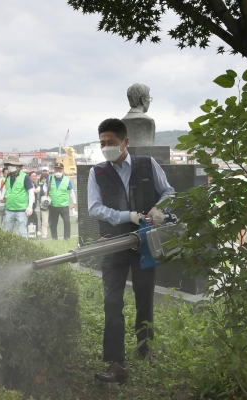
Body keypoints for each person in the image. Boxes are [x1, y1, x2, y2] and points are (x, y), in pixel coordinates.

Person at [87, 118, 174, 384]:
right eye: (102, 143)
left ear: (125, 142)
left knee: (144, 297)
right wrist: (128, 215)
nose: (106, 148)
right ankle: (116, 362)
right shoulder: (97, 173)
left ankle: (145, 348)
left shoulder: (147, 164)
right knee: (112, 302)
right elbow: (94, 208)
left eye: (111, 142)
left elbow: (169, 192)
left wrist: (160, 209)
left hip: (144, 243)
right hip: (113, 243)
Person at [1, 156, 34, 237]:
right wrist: (3, 197)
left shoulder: (25, 177)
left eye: (12, 165)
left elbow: (31, 192)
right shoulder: (7, 177)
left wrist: (30, 206)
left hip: (21, 210)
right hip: (9, 209)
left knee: (22, 232)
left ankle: (25, 249)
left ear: (18, 166)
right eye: (9, 165)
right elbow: (6, 190)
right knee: (7, 233)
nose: (10, 167)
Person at [43, 163, 77, 240]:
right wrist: (45, 191)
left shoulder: (67, 180)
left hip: (64, 206)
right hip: (53, 205)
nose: (58, 171)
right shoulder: (50, 178)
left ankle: (67, 239)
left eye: (59, 170)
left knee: (67, 222)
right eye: (56, 170)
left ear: (63, 170)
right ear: (54, 170)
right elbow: (44, 185)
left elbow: (71, 192)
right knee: (53, 224)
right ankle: (54, 239)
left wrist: (74, 203)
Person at [39, 166, 50, 240]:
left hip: (52, 206)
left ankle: (54, 237)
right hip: (43, 206)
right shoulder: (39, 187)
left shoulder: (51, 186)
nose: (44, 180)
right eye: (43, 179)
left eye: (45, 179)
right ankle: (44, 237)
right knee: (44, 223)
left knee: (52, 222)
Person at [29, 170, 40, 237]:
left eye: (35, 176)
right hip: (28, 204)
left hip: (33, 204)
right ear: (29, 177)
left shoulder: (34, 184)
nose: (34, 177)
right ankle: (33, 233)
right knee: (33, 218)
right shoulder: (28, 184)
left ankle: (34, 232)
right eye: (32, 176)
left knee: (34, 218)